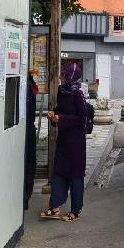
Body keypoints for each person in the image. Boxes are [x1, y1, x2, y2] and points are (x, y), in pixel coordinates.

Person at [40, 63, 88, 222]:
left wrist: (62, 119)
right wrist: (54, 114)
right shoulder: (62, 91)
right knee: (59, 172)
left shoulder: (78, 95)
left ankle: (75, 210)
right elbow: (60, 109)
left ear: (71, 77)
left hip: (76, 141)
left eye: (64, 75)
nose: (62, 78)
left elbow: (82, 119)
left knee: (75, 175)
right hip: (64, 139)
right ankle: (54, 207)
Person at [23, 74, 39, 211]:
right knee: (30, 163)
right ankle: (26, 196)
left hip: (25, 130)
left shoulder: (25, 88)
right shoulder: (31, 87)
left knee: (26, 164)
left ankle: (24, 196)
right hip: (30, 129)